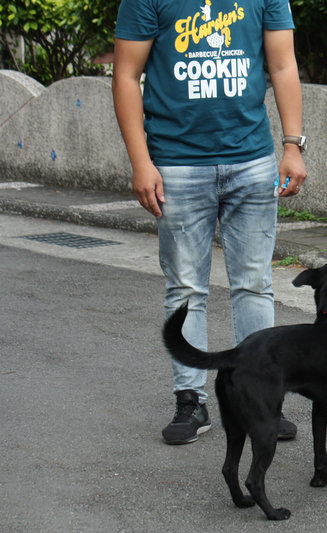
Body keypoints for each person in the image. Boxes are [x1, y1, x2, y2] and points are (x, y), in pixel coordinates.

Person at [112, 0, 308, 445]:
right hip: (177, 164)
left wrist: (293, 144)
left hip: (252, 160)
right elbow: (125, 75)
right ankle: (191, 400)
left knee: (255, 283)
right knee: (185, 287)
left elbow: (282, 64)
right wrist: (140, 161)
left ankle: (260, 399)